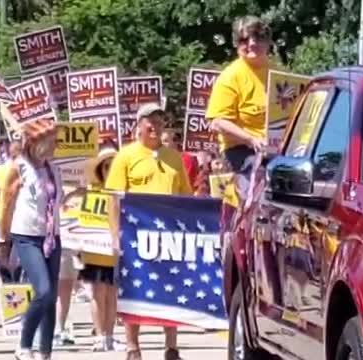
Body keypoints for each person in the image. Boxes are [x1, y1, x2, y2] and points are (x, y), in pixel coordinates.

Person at [106, 103, 193, 360]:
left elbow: (186, 197)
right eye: (149, 121)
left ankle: (171, 347)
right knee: (135, 289)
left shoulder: (174, 157)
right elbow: (114, 198)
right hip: (135, 235)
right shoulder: (126, 156)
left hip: (169, 235)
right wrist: (115, 235)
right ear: (139, 126)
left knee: (172, 289)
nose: (154, 126)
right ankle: (133, 346)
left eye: (159, 120)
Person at [0, 119, 63, 360]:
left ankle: (45, 351)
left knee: (51, 297)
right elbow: (6, 203)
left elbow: (56, 201)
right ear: (36, 143)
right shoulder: (19, 167)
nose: (55, 146)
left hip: (51, 237)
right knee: (43, 291)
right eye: (51, 141)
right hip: (26, 236)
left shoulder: (54, 169)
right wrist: (3, 240)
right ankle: (24, 345)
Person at [205, 15, 271, 215]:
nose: (252, 43)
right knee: (258, 196)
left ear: (268, 41)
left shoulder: (275, 72)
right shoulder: (231, 76)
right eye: (244, 40)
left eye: (258, 37)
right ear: (236, 44)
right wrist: (251, 139)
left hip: (275, 149)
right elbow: (217, 122)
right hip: (242, 152)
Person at [79, 146, 125, 352]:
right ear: (100, 169)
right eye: (106, 166)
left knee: (113, 294)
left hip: (117, 250)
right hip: (95, 250)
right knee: (98, 293)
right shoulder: (91, 191)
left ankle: (110, 335)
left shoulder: (125, 192)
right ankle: (100, 335)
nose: (109, 169)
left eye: (113, 165)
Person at [0, 139, 23, 283]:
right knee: (4, 258)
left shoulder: (28, 171)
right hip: (4, 219)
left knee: (13, 259)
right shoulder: (1, 170)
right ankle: (10, 289)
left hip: (20, 220)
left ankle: (12, 287)